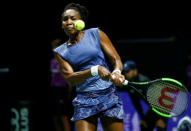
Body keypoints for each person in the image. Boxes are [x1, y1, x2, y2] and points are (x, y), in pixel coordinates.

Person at [53, 3, 125, 131]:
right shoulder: (60, 51)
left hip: (108, 95)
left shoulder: (96, 33)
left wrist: (117, 72)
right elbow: (70, 79)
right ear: (62, 24)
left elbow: (115, 59)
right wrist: (94, 70)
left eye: (73, 18)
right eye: (65, 19)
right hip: (84, 101)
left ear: (81, 21)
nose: (69, 21)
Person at [122, 60, 168, 131]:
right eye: (125, 72)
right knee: (144, 126)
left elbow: (156, 99)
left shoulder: (143, 81)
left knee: (160, 127)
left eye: (128, 71)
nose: (125, 74)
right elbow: (136, 103)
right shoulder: (130, 85)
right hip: (153, 107)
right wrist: (142, 118)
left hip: (162, 106)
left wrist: (160, 118)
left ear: (135, 71)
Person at [50, 39, 75, 131]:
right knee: (55, 116)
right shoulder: (52, 61)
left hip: (62, 90)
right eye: (53, 47)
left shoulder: (65, 61)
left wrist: (69, 91)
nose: (54, 49)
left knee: (63, 116)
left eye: (56, 47)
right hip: (54, 90)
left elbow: (70, 76)